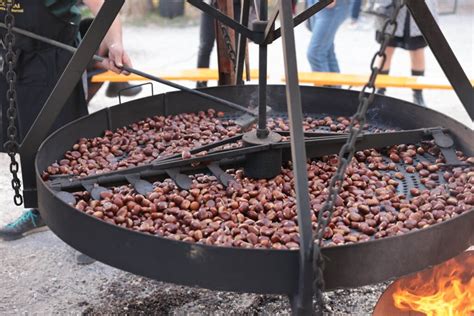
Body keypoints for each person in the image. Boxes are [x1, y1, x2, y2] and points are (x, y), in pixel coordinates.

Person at [0, 0, 133, 241]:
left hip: (57, 63)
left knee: (67, 145)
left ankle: (88, 222)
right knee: (29, 137)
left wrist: (114, 43)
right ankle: (39, 210)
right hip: (17, 61)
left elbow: (104, 5)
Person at [374, 0, 438, 106]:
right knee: (386, 48)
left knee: (417, 50)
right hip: (391, 8)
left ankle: (418, 93)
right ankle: (380, 90)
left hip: (418, 8)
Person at [306, 0, 350, 73]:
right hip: (316, 4)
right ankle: (332, 84)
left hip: (329, 6)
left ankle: (324, 84)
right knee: (326, 52)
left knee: (315, 53)